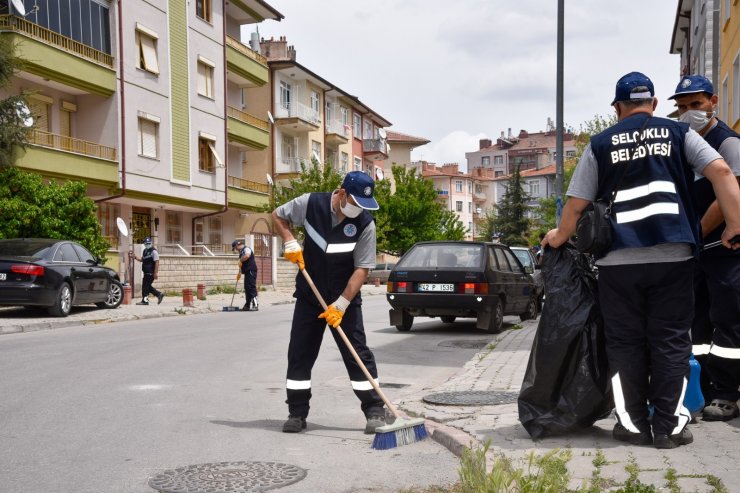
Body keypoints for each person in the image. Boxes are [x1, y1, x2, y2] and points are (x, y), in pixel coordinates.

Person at [541, 72, 740, 449]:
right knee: (670, 342)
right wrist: (734, 223)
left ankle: (632, 427)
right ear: (653, 103)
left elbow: (576, 203)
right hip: (674, 257)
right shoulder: (680, 134)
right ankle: (669, 428)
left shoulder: (600, 144)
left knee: (625, 343)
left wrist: (559, 237)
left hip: (618, 262)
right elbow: (723, 171)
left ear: (617, 108)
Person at [271, 170, 386, 434]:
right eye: (356, 203)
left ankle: (375, 411)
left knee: (357, 354)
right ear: (342, 194)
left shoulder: (365, 224)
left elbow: (362, 269)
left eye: (363, 206)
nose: (358, 210)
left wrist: (342, 304)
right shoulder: (310, 204)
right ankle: (297, 413)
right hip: (310, 296)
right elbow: (278, 215)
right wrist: (289, 241)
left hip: (343, 298)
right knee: (299, 353)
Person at [669, 74, 740, 422]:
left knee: (727, 320)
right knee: (698, 325)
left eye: (695, 105)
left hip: (725, 248)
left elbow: (732, 190)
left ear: (713, 102)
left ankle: (728, 395)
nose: (688, 112)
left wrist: (695, 231)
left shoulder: (727, 143)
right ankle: (706, 389)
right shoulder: (687, 144)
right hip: (698, 249)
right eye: (682, 107)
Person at [130, 237, 164, 305]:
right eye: (146, 243)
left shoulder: (154, 251)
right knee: (147, 286)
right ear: (144, 244)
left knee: (145, 287)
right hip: (146, 272)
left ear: (151, 243)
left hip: (151, 272)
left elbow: (157, 262)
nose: (148, 244)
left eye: (149, 243)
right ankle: (159, 294)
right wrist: (135, 257)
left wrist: (155, 273)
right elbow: (142, 259)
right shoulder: (145, 251)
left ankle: (145, 301)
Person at [232, 240, 258, 311]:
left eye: (235, 248)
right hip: (247, 272)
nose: (236, 250)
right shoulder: (241, 253)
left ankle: (255, 305)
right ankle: (247, 305)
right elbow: (242, 264)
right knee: (247, 288)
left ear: (237, 245)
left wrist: (240, 260)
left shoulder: (246, 249)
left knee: (251, 288)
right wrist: (239, 272)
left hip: (251, 271)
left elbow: (247, 256)